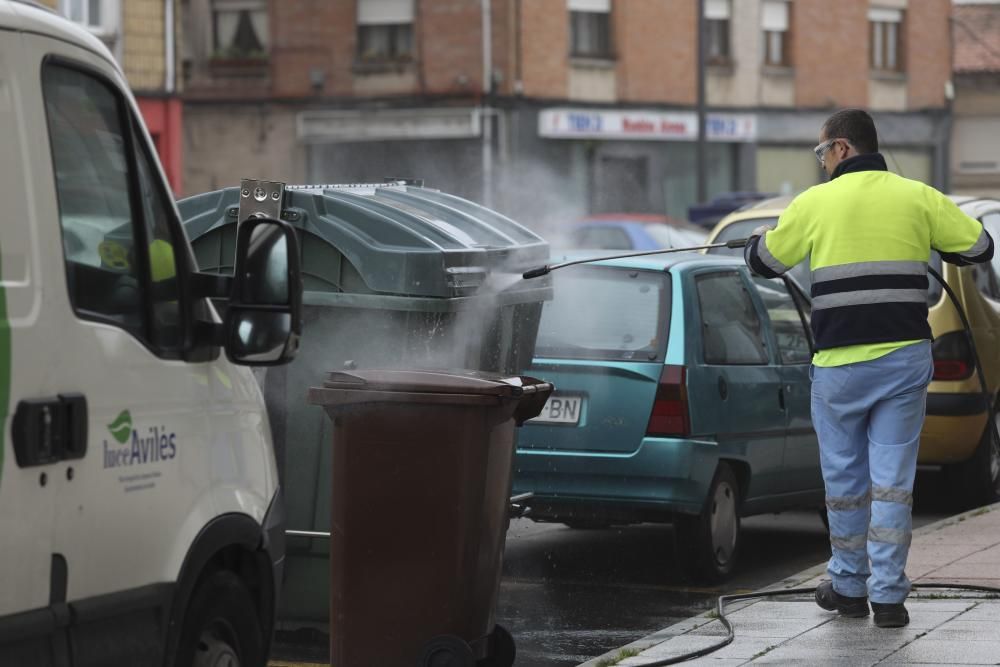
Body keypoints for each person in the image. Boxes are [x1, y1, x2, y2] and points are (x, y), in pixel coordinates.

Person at [743, 108, 994, 628]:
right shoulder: (917, 196)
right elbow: (979, 246)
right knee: (893, 482)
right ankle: (888, 599)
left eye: (822, 152)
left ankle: (849, 588)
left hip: (839, 366)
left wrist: (755, 241)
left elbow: (764, 262)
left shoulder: (813, 203)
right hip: (903, 361)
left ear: (841, 148)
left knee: (845, 481)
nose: (822, 163)